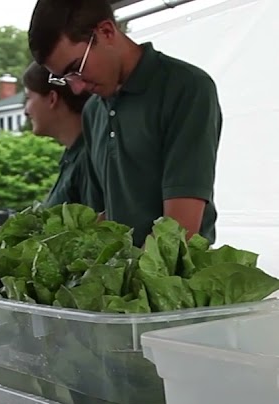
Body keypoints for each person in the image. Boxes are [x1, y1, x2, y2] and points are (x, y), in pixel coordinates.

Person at [28, 0, 223, 246]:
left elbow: (180, 230)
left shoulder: (186, 88)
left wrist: (127, 278)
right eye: (65, 79)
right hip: (121, 280)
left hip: (175, 281)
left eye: (76, 68)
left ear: (107, 31)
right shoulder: (93, 111)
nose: (77, 87)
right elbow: (103, 218)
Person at [22, 61, 103, 209]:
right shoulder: (72, 156)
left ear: (52, 98)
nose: (25, 111)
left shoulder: (88, 159)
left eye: (28, 98)